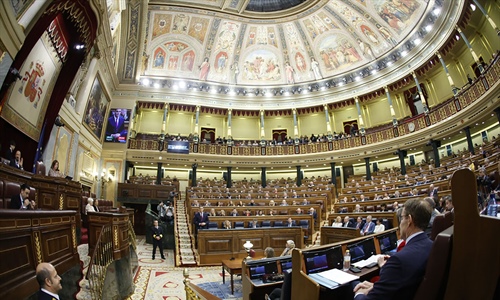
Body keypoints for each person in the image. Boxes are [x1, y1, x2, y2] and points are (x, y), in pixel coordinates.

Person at [353, 198, 433, 299]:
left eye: (402, 218)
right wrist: (376, 286)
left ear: (409, 220)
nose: (400, 223)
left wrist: (359, 293)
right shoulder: (432, 245)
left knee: (353, 285)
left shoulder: (399, 260)